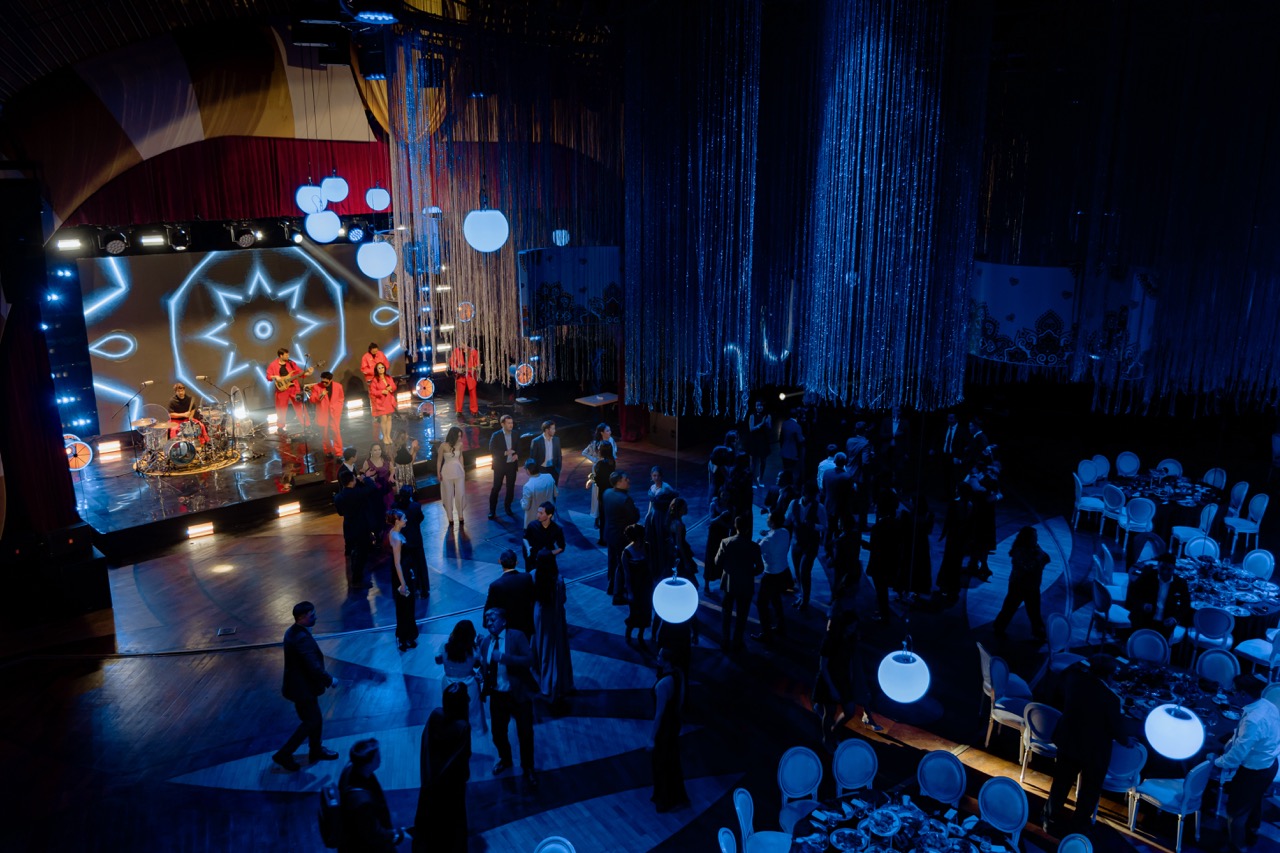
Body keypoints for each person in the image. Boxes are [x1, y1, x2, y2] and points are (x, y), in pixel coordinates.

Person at [1044, 654, 1132, 832]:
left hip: (1068, 742)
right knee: (1089, 792)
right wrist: (1127, 741)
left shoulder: (1074, 681)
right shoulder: (1111, 699)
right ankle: (1078, 826)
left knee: (1060, 785)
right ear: (1110, 675)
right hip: (1093, 751)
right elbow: (1116, 730)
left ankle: (1049, 820)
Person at [1215, 677, 1280, 853]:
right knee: (1254, 802)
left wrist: (1216, 761)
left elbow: (1235, 757)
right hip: (1270, 765)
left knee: (1235, 812)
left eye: (1234, 691)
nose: (1232, 694)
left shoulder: (1253, 719)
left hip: (1254, 771)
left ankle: (1238, 847)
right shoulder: (1268, 705)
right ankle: (1251, 834)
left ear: (1243, 694)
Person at [272, 601, 339, 771]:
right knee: (311, 721)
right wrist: (330, 680)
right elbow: (313, 666)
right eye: (312, 615)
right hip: (303, 689)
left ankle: (315, 750)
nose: (316, 617)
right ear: (301, 618)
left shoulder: (292, 632)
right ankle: (284, 754)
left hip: (298, 687)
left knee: (313, 719)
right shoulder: (301, 638)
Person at [479, 608, 538, 786]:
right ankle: (505, 759)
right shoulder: (485, 642)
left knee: (525, 733)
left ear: (504, 621)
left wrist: (504, 658)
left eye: (493, 619)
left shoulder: (517, 636)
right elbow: (485, 666)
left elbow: (529, 660)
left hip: (518, 694)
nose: (489, 622)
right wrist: (481, 674)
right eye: (487, 619)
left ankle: (528, 767)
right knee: (498, 733)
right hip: (498, 696)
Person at [413, 683, 470, 853]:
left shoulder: (435, 714)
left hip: (430, 783)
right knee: (451, 829)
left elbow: (425, 746)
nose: (469, 700)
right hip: (451, 789)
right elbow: (462, 760)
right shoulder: (462, 727)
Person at [337, 738, 411, 851]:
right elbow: (374, 834)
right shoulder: (362, 803)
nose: (381, 759)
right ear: (368, 764)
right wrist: (398, 835)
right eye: (377, 757)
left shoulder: (350, 769)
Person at [533, 531, 574, 705]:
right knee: (556, 650)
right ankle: (558, 683)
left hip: (539, 617)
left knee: (541, 649)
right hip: (555, 617)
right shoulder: (558, 580)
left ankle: (543, 682)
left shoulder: (533, 575)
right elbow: (563, 599)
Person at [649, 648, 690, 812]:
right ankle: (675, 797)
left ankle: (665, 800)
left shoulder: (663, 684)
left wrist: (651, 738)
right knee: (671, 761)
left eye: (660, 655)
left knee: (661, 763)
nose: (657, 657)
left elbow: (659, 714)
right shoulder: (678, 675)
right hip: (673, 725)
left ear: (667, 662)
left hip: (664, 728)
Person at [992, 526, 1050, 640]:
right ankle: (999, 627)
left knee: (1033, 610)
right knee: (1010, 608)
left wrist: (1038, 558)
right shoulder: (1019, 550)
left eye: (1036, 537)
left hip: (1032, 585)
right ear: (1027, 538)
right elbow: (1028, 566)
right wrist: (1038, 559)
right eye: (1034, 537)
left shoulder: (1035, 548)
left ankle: (1038, 632)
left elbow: (1046, 558)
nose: (1036, 539)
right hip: (1019, 585)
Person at [716, 515, 764, 651]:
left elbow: (717, 562)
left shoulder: (726, 542)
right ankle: (737, 641)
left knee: (726, 613)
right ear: (748, 529)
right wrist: (748, 573)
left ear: (735, 526)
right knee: (742, 615)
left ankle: (725, 640)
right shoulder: (754, 546)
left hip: (729, 583)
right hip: (745, 585)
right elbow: (760, 567)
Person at [436, 619, 486, 735]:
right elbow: (479, 664)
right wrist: (480, 645)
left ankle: (453, 733)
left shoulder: (444, 647)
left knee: (451, 711)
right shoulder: (474, 650)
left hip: (449, 683)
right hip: (470, 684)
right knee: (473, 712)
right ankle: (475, 734)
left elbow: (438, 660)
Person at [1129, 553, 1192, 639]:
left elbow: (1186, 605)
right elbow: (1133, 593)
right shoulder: (1147, 576)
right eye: (1162, 568)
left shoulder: (1180, 583)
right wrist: (1143, 605)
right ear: (1157, 566)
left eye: (1169, 569)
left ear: (1174, 568)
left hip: (1165, 626)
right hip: (1143, 620)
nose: (1165, 572)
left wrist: (1174, 619)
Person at [785, 482, 827, 613]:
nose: (810, 497)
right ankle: (801, 595)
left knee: (804, 571)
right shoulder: (793, 503)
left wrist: (813, 526)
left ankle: (805, 600)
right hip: (796, 542)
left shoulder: (819, 507)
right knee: (797, 572)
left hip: (810, 544)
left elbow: (825, 526)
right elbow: (787, 519)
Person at [336, 470, 377, 591]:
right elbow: (372, 488)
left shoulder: (338, 497)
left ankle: (355, 577)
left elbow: (340, 513)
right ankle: (357, 580)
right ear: (351, 481)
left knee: (354, 553)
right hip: (361, 527)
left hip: (348, 527)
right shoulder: (358, 493)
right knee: (362, 554)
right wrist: (365, 478)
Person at [753, 512, 791, 642]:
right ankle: (781, 626)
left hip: (771, 575)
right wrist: (767, 533)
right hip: (783, 571)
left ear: (772, 522)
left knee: (761, 604)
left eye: (768, 518)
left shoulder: (767, 541)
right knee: (776, 599)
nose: (767, 520)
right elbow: (775, 536)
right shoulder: (785, 532)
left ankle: (766, 632)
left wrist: (759, 542)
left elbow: (756, 551)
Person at [385, 509, 419, 652]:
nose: (406, 520)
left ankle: (406, 636)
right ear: (397, 521)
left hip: (404, 573)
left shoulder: (393, 532)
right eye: (404, 518)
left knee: (405, 607)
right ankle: (404, 637)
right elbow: (397, 563)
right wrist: (403, 583)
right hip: (401, 576)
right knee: (405, 607)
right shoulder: (397, 538)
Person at [602, 470, 640, 596]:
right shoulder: (625, 499)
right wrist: (636, 510)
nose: (628, 481)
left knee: (612, 561)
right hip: (621, 537)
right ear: (619, 482)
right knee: (621, 564)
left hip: (610, 534)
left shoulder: (607, 493)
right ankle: (618, 591)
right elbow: (634, 517)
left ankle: (611, 586)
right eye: (625, 479)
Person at [485, 549, 536, 639]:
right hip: (526, 624)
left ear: (500, 562)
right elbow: (533, 599)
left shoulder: (495, 585)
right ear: (516, 562)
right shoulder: (527, 577)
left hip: (507, 629)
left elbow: (489, 608)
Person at [266, 347, 313, 435]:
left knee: (300, 407)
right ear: (281, 356)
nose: (288, 356)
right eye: (286, 355)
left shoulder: (291, 363)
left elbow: (299, 373)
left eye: (288, 355)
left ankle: (306, 424)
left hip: (294, 388)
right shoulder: (273, 365)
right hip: (282, 390)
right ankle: (280, 427)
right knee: (281, 409)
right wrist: (275, 377)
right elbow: (268, 376)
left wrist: (308, 373)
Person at [620, 523, 652, 646]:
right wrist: (630, 592)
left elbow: (650, 566)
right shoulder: (627, 553)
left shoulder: (647, 546)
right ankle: (628, 634)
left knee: (646, 612)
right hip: (635, 587)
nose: (640, 541)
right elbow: (627, 575)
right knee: (635, 613)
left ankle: (640, 635)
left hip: (646, 586)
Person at [393, 486, 429, 596]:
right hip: (416, 540)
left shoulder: (395, 507)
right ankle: (423, 590)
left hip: (403, 542)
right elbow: (420, 518)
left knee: (406, 567)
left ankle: (410, 588)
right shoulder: (415, 506)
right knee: (420, 565)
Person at [586, 424, 617, 545]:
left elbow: (596, 478)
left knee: (603, 516)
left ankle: (603, 539)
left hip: (603, 492)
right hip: (611, 491)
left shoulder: (599, 464)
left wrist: (590, 479)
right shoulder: (612, 462)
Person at [488, 414, 520, 520]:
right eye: (509, 423)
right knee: (496, 488)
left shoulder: (515, 434)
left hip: (511, 465)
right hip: (500, 466)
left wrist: (517, 454)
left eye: (512, 423)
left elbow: (519, 447)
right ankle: (492, 511)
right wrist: (505, 452)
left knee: (510, 488)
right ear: (502, 424)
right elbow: (492, 449)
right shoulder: (496, 435)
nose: (511, 425)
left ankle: (508, 507)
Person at [525, 501, 566, 577]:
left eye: (541, 513)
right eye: (538, 512)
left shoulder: (557, 529)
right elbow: (525, 538)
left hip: (549, 562)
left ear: (549, 515)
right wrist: (528, 548)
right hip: (533, 559)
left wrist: (549, 554)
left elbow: (561, 547)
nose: (538, 515)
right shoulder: (532, 525)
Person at [309, 372, 345, 458]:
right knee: (324, 433)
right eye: (322, 381)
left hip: (334, 413)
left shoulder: (338, 386)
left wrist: (338, 407)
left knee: (336, 432)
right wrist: (321, 395)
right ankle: (328, 450)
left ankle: (339, 453)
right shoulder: (316, 387)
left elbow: (341, 398)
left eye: (326, 382)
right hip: (323, 413)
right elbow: (312, 399)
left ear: (330, 380)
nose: (324, 383)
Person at [436, 426, 467, 526]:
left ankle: (461, 515)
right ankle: (450, 517)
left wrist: (463, 469)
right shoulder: (443, 446)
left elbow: (461, 456)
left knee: (460, 493)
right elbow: (439, 460)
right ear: (453, 436)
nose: (460, 438)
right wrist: (438, 473)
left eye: (460, 436)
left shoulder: (460, 445)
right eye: (458, 436)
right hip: (447, 472)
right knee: (448, 495)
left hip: (458, 471)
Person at [703, 507, 734, 594]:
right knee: (710, 558)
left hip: (723, 536)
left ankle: (723, 583)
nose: (725, 499)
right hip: (713, 536)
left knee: (723, 559)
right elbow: (711, 520)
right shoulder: (714, 504)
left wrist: (720, 522)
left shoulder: (730, 507)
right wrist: (721, 517)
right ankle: (706, 585)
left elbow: (731, 525)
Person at [520, 458, 558, 527]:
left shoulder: (528, 486)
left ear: (528, 471)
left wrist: (521, 501)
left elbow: (525, 506)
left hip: (535, 522)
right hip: (549, 519)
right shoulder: (549, 477)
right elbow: (556, 493)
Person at [369, 362, 397, 445]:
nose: (381, 369)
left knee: (389, 418)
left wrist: (391, 387)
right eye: (379, 368)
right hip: (381, 402)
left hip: (389, 400)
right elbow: (373, 392)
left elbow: (394, 386)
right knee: (383, 419)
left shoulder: (388, 377)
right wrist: (381, 391)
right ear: (376, 370)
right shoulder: (375, 380)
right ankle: (384, 436)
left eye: (382, 367)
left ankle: (388, 436)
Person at [746, 400, 773, 486]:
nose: (759, 407)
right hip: (754, 440)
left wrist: (768, 422)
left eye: (760, 406)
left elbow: (770, 428)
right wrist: (761, 423)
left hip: (763, 440)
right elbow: (751, 429)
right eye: (757, 405)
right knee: (753, 462)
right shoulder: (752, 416)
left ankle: (760, 478)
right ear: (755, 406)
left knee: (763, 461)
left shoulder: (767, 415)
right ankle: (752, 480)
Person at [449, 341, 480, 415]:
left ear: (466, 343)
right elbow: (452, 362)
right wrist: (456, 369)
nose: (459, 345)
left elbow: (477, 364)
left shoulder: (474, 352)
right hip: (460, 376)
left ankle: (474, 410)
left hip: (470, 376)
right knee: (459, 394)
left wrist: (475, 368)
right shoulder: (456, 351)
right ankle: (458, 410)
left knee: (473, 393)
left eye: (461, 343)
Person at [362, 441, 394, 513]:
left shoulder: (385, 459)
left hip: (387, 487)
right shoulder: (367, 462)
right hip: (375, 489)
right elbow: (363, 476)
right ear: (371, 451)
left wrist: (391, 475)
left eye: (379, 449)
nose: (378, 452)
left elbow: (392, 469)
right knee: (379, 509)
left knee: (389, 507)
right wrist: (368, 476)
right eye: (375, 450)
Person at [529, 420, 562, 484]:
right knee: (543, 488)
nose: (555, 430)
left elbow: (559, 455)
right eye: (553, 429)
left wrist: (558, 468)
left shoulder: (556, 440)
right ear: (547, 430)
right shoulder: (536, 441)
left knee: (554, 488)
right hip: (541, 470)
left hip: (554, 469)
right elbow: (532, 458)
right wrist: (535, 472)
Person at [778, 408, 806, 476]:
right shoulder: (797, 426)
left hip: (784, 452)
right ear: (797, 416)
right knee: (793, 472)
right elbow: (800, 440)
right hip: (793, 453)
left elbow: (781, 438)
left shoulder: (784, 423)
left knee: (786, 470)